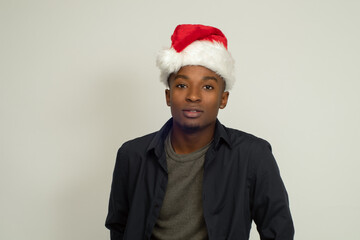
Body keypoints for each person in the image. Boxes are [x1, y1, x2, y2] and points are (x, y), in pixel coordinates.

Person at [105, 24, 294, 240]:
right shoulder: (132, 155)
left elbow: (279, 231)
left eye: (208, 87)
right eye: (182, 85)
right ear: (168, 96)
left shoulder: (253, 155)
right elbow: (118, 226)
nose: (193, 96)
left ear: (223, 99)